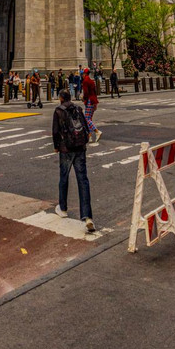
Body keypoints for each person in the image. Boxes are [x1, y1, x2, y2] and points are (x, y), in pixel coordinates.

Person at [52, 88, 95, 233]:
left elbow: (55, 132)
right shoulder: (78, 108)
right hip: (80, 148)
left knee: (63, 178)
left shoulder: (58, 110)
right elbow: (86, 128)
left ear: (61, 98)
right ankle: (88, 217)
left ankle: (63, 208)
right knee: (83, 180)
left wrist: (56, 147)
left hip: (66, 149)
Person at [82, 67, 101, 144]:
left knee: (87, 119)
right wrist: (95, 103)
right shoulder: (91, 81)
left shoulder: (85, 81)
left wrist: (83, 98)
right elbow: (94, 92)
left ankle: (97, 131)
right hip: (93, 101)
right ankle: (89, 136)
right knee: (89, 119)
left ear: (84, 74)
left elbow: (86, 93)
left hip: (89, 100)